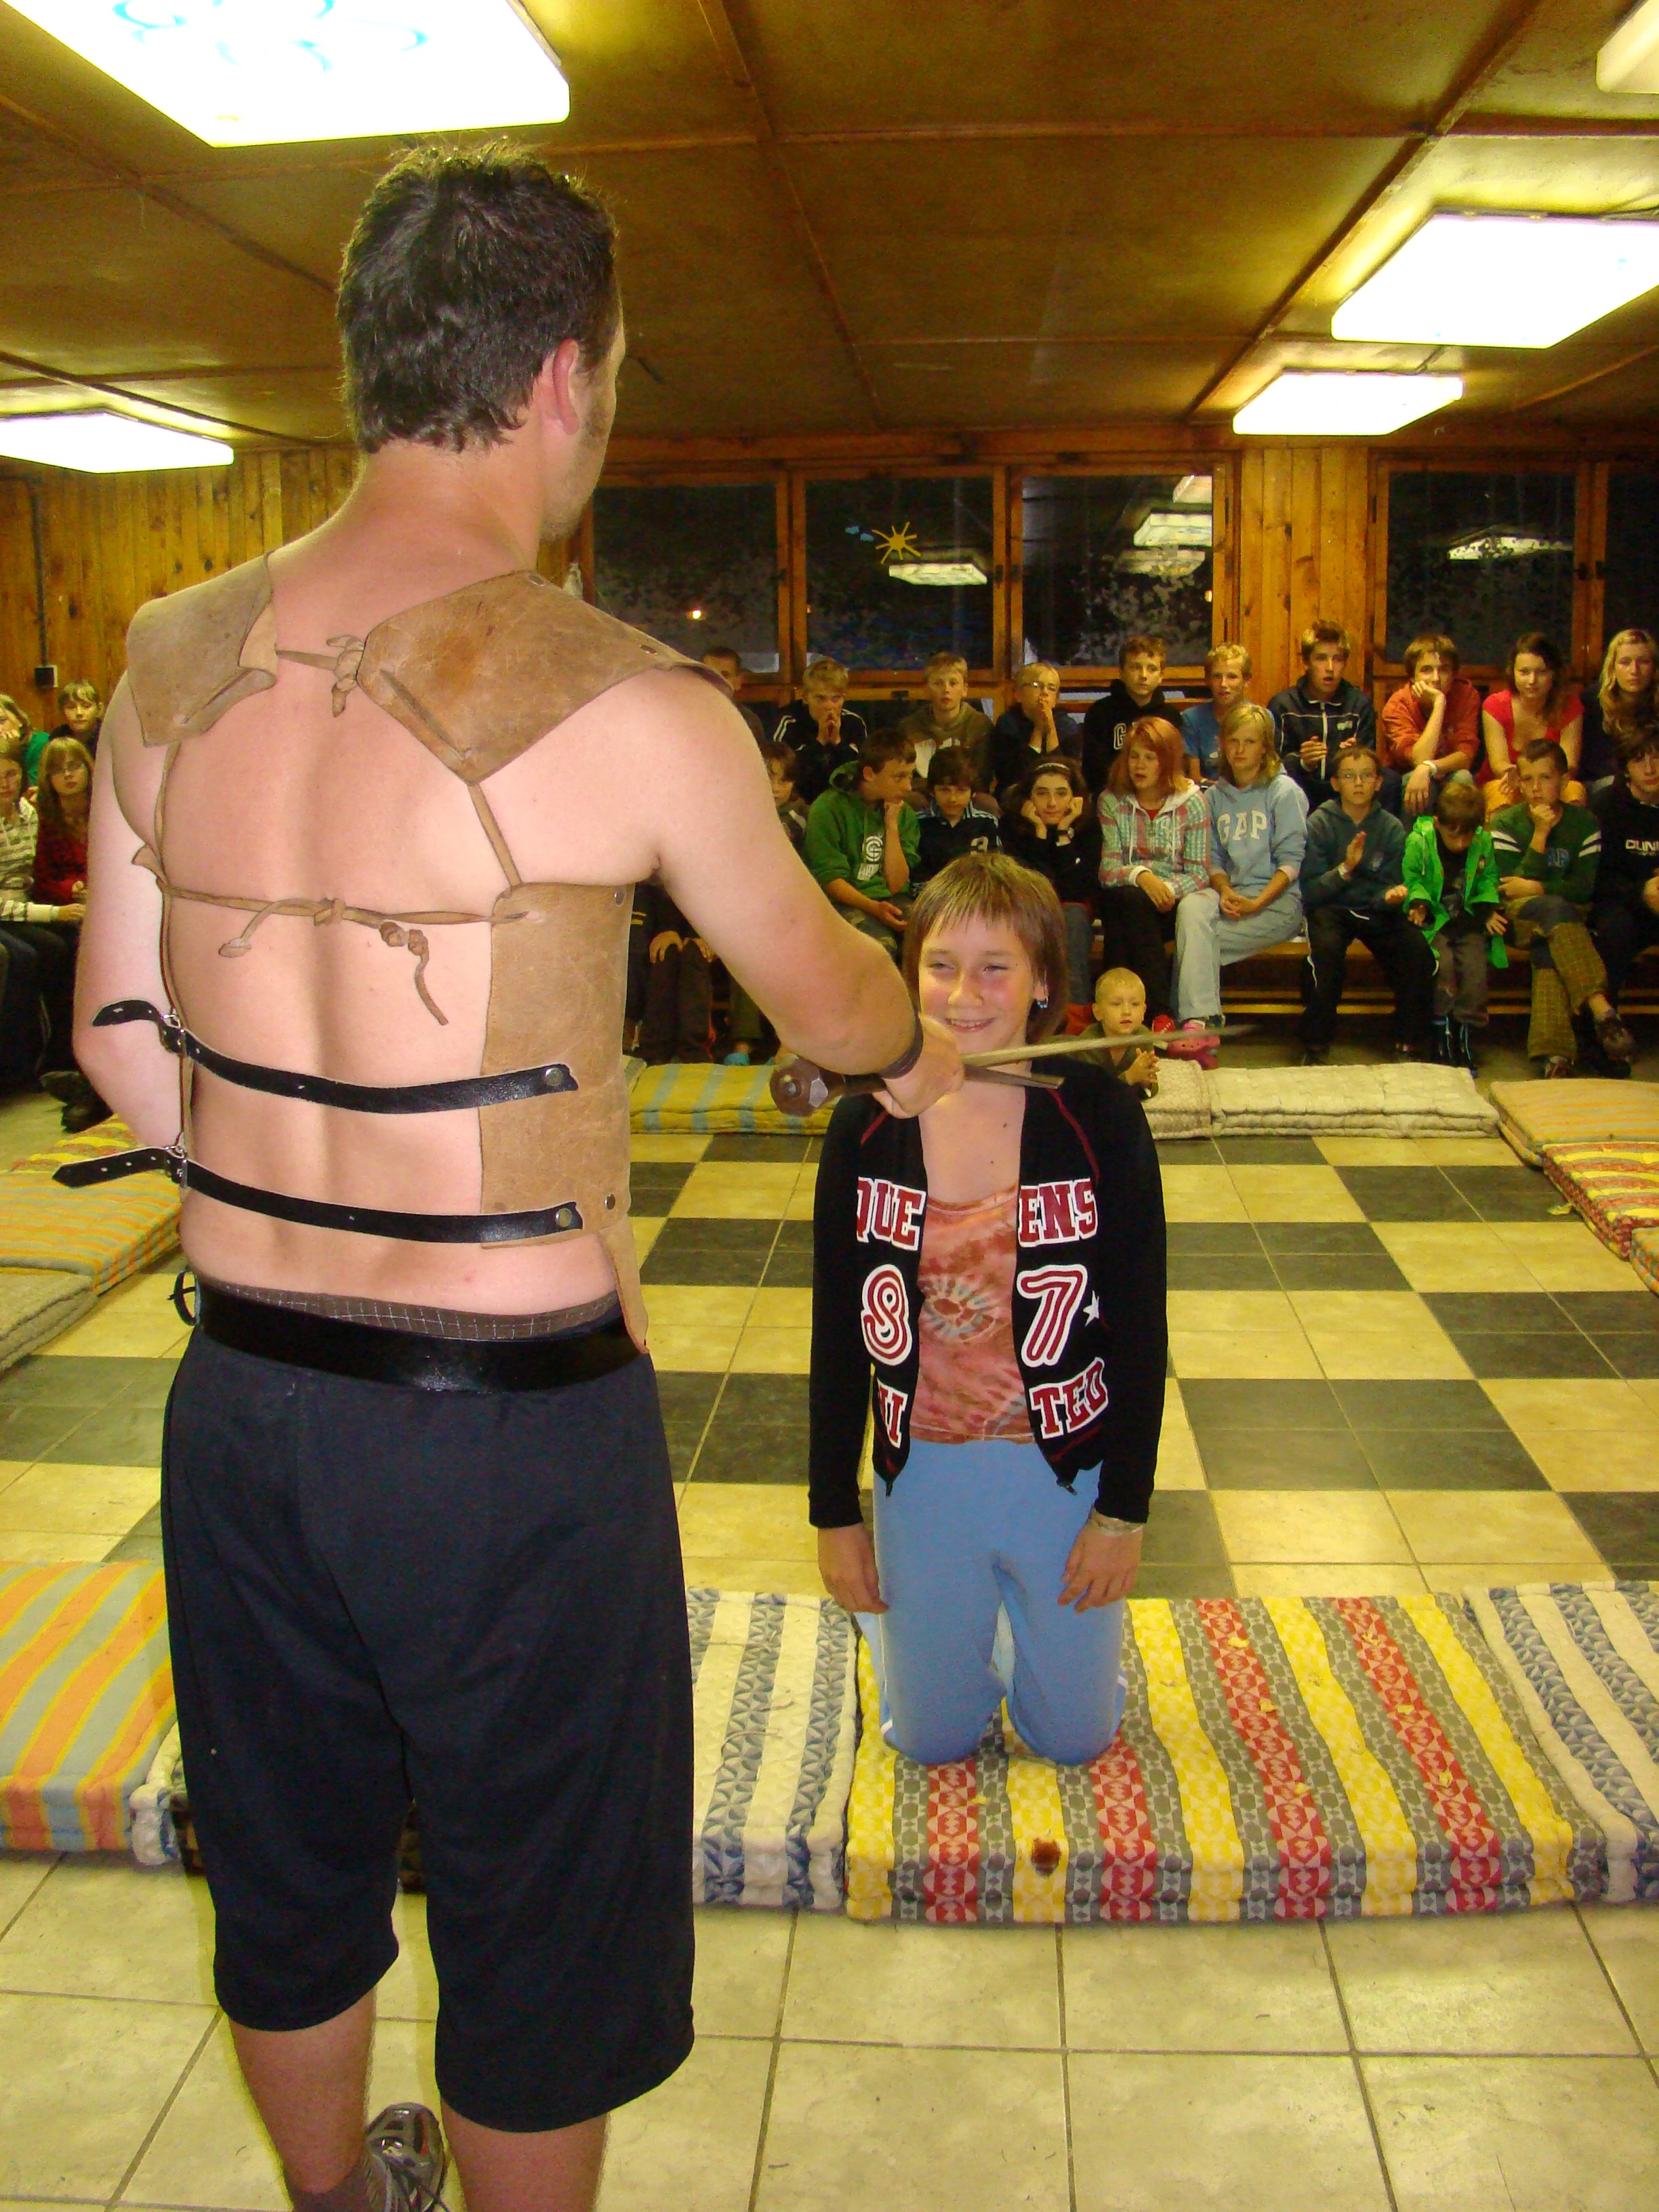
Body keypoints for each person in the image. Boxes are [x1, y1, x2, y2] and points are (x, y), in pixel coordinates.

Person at [74, 144, 962, 2212]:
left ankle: (341, 2200)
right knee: (540, 1907)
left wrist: (294, 1182)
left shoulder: (166, 653)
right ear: (566, 376)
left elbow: (121, 1041)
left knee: (289, 1861)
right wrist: (914, 1045)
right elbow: (829, 997)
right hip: (504, 1440)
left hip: (243, 1403)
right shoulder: (630, 702)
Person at [809, 851, 1166, 1767]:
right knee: (930, 1742)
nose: (964, 995)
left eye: (996, 967)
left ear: (1043, 980)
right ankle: (957, 1626)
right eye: (940, 965)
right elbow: (836, 1336)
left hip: (1063, 1468)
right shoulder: (865, 1125)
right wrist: (834, 1514)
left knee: (1075, 1740)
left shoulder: (1100, 1114)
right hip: (922, 1468)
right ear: (911, 972)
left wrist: (1122, 1514)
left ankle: (1025, 1629)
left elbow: (1140, 1327)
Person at [1490, 740, 1635, 1076]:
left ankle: (1554, 1057)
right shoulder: (1506, 823)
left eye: (1545, 778)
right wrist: (1540, 836)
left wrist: (1538, 888)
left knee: (1549, 947)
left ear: (1564, 781)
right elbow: (1508, 890)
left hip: (1568, 920)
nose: (1536, 788)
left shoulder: (1584, 824)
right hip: (1518, 919)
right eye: (1528, 779)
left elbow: (1584, 889)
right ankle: (1600, 1007)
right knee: (1553, 911)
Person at [1173, 702, 1307, 1059]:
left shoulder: (1283, 791)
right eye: (1233, 741)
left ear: (1265, 747)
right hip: (1231, 897)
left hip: (1277, 904)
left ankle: (1197, 1023)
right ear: (1222, 744)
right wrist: (1225, 891)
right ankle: (1199, 1024)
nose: (1240, 750)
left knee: (1193, 944)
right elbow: (1213, 859)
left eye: (1250, 742)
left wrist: (1257, 903)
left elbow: (1292, 862)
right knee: (1191, 907)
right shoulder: (1214, 797)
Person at [1297, 746, 1432, 1065]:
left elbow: (1390, 884)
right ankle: (1316, 1044)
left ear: (1378, 783)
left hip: (1376, 910)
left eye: (1366, 776)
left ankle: (1408, 1042)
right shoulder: (1319, 823)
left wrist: (1390, 897)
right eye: (1349, 776)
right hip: (1332, 908)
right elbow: (1311, 891)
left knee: (1418, 954)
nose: (1358, 783)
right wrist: (1345, 869)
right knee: (1325, 956)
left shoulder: (1391, 827)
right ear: (1335, 783)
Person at [1095, 715, 1209, 1031]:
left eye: (1150, 758)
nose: (1139, 766)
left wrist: (1166, 890)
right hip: (1128, 897)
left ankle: (1113, 1017)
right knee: (1129, 900)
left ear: (1168, 761)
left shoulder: (1193, 802)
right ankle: (1158, 1014)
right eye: (1134, 756)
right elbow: (1108, 871)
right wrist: (1144, 877)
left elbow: (1199, 873)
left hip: (1171, 904)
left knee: (1123, 924)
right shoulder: (1111, 801)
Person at [1402, 779, 1508, 1070]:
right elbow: (1412, 878)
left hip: (1467, 921)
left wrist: (1487, 910)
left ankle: (1464, 1034)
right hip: (1435, 921)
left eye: (1468, 837)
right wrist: (1419, 903)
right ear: (1438, 823)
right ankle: (1441, 1032)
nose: (1461, 844)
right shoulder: (1420, 841)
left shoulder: (1482, 842)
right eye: (1454, 836)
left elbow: (1488, 879)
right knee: (1444, 967)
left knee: (1475, 970)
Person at [0, 747, 82, 1090]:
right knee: (26, 955)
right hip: (7, 912)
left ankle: (66, 1055)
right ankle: (20, 1065)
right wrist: (52, 912)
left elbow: (42, 874)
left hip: (27, 904)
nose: (4, 784)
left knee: (73, 943)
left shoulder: (29, 813)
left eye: (10, 775)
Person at [724, 743, 811, 1063]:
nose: (775, 788)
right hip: (748, 909)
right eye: (767, 778)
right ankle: (742, 1045)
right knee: (744, 951)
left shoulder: (800, 814)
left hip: (792, 908)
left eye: (783, 781)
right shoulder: (736, 810)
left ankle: (789, 1043)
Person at [802, 731, 920, 958]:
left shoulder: (902, 812)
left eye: (910, 776)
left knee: (929, 943)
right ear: (869, 774)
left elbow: (896, 884)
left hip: (891, 898)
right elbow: (831, 880)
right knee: (879, 950)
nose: (908, 787)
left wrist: (891, 826)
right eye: (899, 777)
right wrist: (873, 907)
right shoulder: (828, 808)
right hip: (844, 902)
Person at [1000, 756, 1102, 1010]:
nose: (1052, 803)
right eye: (1042, 793)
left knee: (1072, 916)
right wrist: (1041, 835)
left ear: (1075, 798)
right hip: (1025, 907)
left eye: (1061, 793)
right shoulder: (1011, 826)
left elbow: (1075, 889)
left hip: (1073, 909)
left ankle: (1075, 1011)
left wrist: (1064, 833)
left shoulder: (1088, 827)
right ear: (1028, 798)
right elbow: (1031, 886)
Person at [1269, 620, 1386, 813]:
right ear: (1306, 663)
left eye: (1337, 659)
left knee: (1388, 781)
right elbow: (1271, 765)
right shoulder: (1284, 705)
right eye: (1321, 659)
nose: (1330, 668)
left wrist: (1352, 757)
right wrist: (1302, 762)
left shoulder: (1359, 704)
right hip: (1301, 788)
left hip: (1344, 788)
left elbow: (1370, 761)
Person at [1590, 727, 1659, 1029]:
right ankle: (1605, 1030)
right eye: (1640, 760)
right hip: (1621, 904)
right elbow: (1597, 876)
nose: (1650, 769)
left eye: (1657, 758)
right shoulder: (1606, 806)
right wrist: (1642, 892)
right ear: (1627, 768)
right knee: (1615, 932)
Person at [1479, 633, 1583, 817]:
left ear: (1553, 674)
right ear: (1513, 672)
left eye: (1541, 672)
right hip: (1510, 781)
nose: (1532, 681)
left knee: (1574, 790)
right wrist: (1517, 776)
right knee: (1500, 792)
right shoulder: (1495, 705)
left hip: (1552, 783)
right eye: (1524, 672)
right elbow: (1498, 764)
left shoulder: (1570, 706)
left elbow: (1570, 764)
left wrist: (1543, 783)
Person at [1379, 632, 1480, 818]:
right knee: (1417, 781)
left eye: (1444, 670)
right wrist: (1439, 705)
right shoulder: (1398, 705)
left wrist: (1430, 768)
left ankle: (1460, 837)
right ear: (1413, 677)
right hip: (1409, 778)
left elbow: (1466, 756)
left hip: (1448, 771)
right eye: (1427, 670)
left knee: (1463, 778)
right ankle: (1416, 838)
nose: (1436, 678)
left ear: (1453, 674)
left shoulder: (1465, 695)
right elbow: (1420, 759)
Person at [1080, 634, 1176, 795]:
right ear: (1122, 672)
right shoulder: (1100, 713)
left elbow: (1175, 767)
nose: (1143, 675)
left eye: (1152, 669)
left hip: (1159, 798)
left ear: (1161, 676)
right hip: (1111, 795)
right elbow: (1093, 770)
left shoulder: (1170, 717)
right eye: (1135, 667)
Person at [633, 878, 712, 1064]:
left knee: (694, 954)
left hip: (711, 928)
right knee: (665, 954)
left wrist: (701, 935)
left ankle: (693, 1049)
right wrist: (668, 930)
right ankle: (654, 1049)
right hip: (663, 919)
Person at [771, 656, 867, 801]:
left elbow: (861, 774)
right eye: (820, 698)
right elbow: (786, 775)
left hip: (844, 802)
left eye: (836, 698)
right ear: (805, 697)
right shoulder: (788, 722)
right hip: (799, 802)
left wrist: (838, 742)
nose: (829, 706)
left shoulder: (854, 723)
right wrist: (820, 742)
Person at [898, 650, 994, 788]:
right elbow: (904, 775)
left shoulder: (980, 725)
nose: (946, 690)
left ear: (965, 689)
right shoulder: (909, 727)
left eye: (953, 683)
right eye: (938, 684)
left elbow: (982, 777)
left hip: (965, 792)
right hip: (922, 793)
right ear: (926, 689)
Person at [986, 661, 1079, 800]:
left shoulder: (1067, 726)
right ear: (1018, 695)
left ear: (1056, 699)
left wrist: (1050, 729)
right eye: (1036, 686)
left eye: (1051, 688)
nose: (1045, 692)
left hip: (1059, 793)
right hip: (1017, 791)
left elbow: (1067, 774)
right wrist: (1038, 730)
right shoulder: (1008, 724)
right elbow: (1013, 775)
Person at [1581, 628, 1658, 787]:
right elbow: (1590, 764)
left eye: (1643, 662)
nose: (1634, 670)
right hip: (1604, 784)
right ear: (1613, 667)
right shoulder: (1590, 701)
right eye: (1625, 662)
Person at [914, 746, 999, 884]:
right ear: (932, 791)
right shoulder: (918, 823)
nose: (952, 799)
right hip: (932, 893)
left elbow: (996, 868)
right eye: (944, 790)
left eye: (961, 791)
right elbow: (917, 876)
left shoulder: (987, 822)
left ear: (973, 793)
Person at [1077, 966, 1158, 1095]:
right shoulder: (1088, 1044)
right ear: (1098, 1012)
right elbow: (1092, 1094)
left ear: (1144, 1011)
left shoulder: (1144, 1038)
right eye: (1116, 1004)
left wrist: (1145, 1081)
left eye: (1135, 1004)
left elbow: (1151, 1087)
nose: (1126, 1011)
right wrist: (1129, 1077)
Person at [1181, 643, 1251, 781]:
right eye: (1217, 676)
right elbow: (1194, 778)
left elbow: (1266, 772)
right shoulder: (1191, 719)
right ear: (1208, 680)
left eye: (1232, 677)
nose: (1223, 684)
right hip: (1207, 792)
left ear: (1246, 681)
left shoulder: (1261, 719)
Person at [697, 647, 764, 742]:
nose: (717, 681)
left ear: (737, 682)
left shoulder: (747, 722)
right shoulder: (686, 714)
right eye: (710, 674)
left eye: (724, 675)